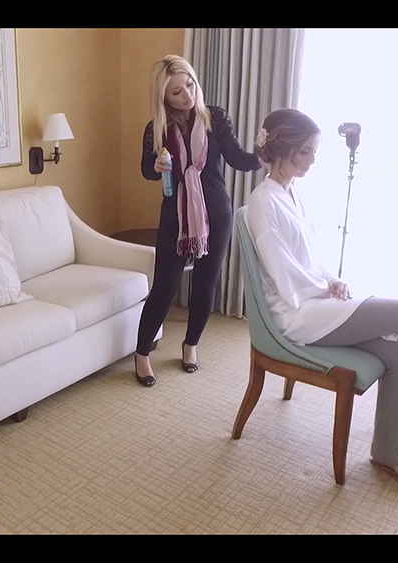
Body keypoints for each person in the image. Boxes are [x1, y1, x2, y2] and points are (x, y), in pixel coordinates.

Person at [244, 107, 398, 498]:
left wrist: (331, 279)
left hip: (316, 299)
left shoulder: (292, 193)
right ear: (287, 149)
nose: (314, 160)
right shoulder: (263, 202)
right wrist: (321, 288)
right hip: (298, 313)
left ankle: (388, 454)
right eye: (308, 152)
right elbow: (283, 274)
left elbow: (308, 258)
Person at [134, 55, 262, 387]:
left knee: (206, 284)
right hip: (174, 215)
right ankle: (142, 354)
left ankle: (191, 345)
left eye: (189, 84)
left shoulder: (215, 117)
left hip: (217, 213)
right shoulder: (157, 128)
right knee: (165, 286)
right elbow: (147, 170)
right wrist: (157, 167)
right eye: (176, 91)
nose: (187, 95)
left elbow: (238, 158)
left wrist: (266, 152)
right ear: (163, 96)